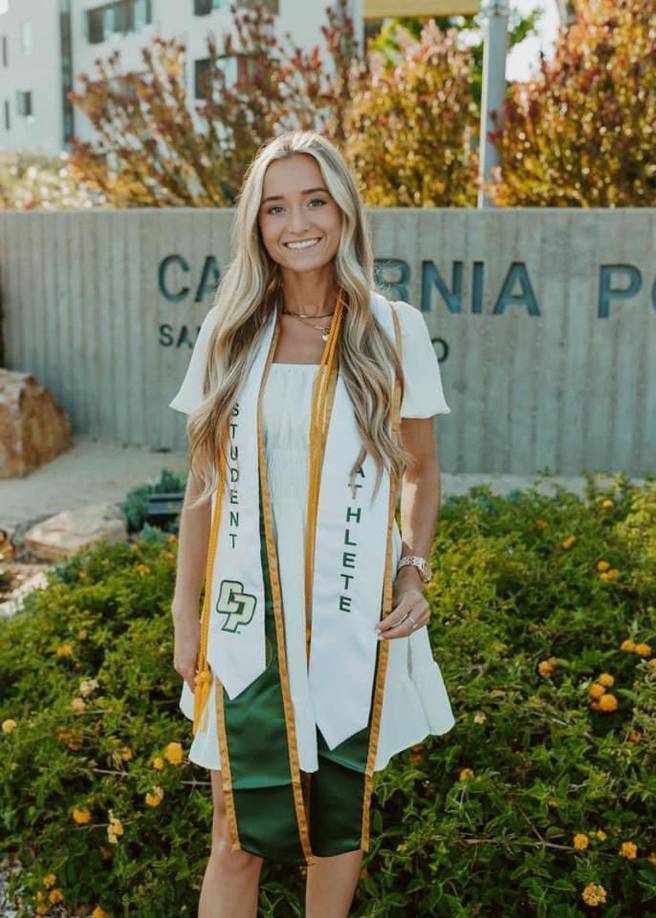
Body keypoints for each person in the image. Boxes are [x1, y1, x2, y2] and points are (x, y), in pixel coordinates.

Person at [170, 130, 455, 918]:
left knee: (336, 827)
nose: (298, 222)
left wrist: (413, 570)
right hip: (247, 617)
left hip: (349, 613)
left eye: (315, 200)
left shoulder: (394, 330)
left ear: (344, 210)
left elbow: (420, 471)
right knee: (234, 830)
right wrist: (183, 611)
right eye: (276, 207)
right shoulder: (230, 332)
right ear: (256, 226)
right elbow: (202, 484)